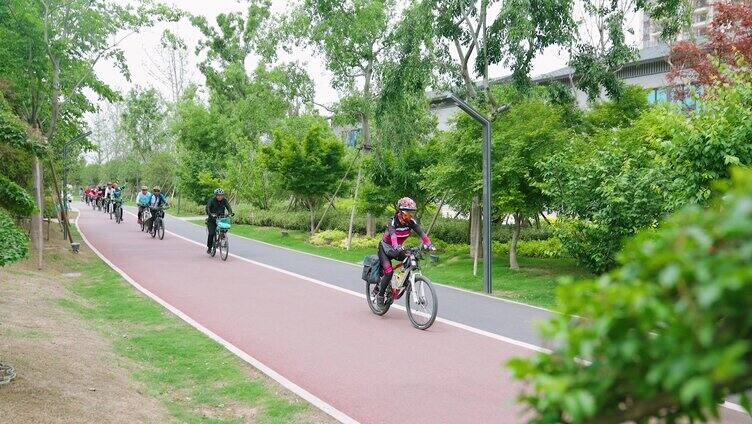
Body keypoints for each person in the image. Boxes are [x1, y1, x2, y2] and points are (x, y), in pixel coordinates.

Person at [375, 197, 434, 309]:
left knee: (411, 260)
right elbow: (392, 235)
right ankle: (381, 296)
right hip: (385, 249)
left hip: (398, 249)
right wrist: (396, 246)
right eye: (408, 213)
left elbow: (421, 233)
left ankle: (403, 282)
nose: (410, 216)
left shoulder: (411, 222)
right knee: (389, 272)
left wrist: (429, 244)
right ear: (400, 212)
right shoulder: (392, 221)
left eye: (412, 213)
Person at [205, 188, 233, 254]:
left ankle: (222, 236)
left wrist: (230, 213)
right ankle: (209, 247)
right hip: (212, 219)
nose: (220, 197)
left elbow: (228, 207)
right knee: (211, 233)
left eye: (221, 195)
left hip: (221, 218)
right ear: (216, 195)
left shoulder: (224, 200)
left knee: (224, 228)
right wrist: (210, 214)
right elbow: (207, 208)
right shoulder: (211, 200)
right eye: (218, 195)